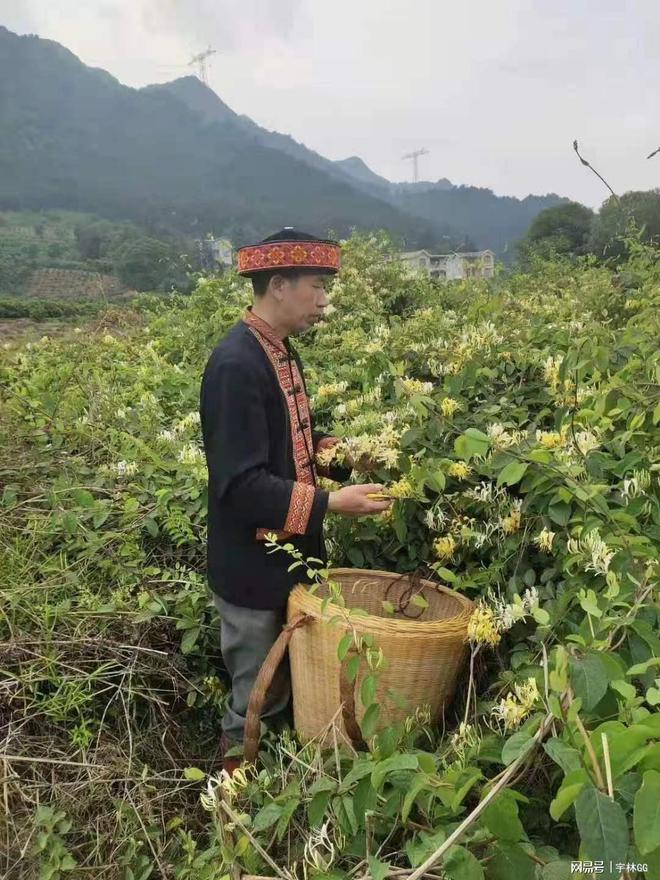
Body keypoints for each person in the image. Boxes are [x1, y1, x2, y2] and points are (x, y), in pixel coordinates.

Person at [199, 227, 393, 774]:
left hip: (287, 563)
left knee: (284, 685)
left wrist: (349, 456)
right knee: (256, 695)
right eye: (317, 286)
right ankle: (236, 808)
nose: (325, 301)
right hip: (252, 569)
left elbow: (293, 446)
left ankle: (276, 791)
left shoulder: (278, 352)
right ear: (279, 284)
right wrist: (333, 503)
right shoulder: (237, 365)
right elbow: (240, 487)